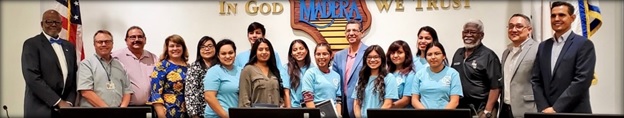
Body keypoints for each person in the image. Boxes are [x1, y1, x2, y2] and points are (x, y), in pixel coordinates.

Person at [531, 1, 595, 113]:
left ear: (572, 18)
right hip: (546, 112)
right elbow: (536, 80)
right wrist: (544, 107)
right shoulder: (543, 46)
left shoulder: (584, 44)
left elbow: (582, 80)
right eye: (553, 15)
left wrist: (556, 108)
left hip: (574, 112)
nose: (556, 19)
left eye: (561, 15)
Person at [21, 9, 78, 118]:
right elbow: (32, 78)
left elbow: (73, 78)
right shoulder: (31, 44)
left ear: (61, 25)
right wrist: (58, 102)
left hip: (65, 111)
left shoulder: (69, 46)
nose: (53, 24)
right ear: (42, 24)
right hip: (40, 110)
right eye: (49, 21)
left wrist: (69, 103)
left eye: (57, 22)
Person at [451, 19, 502, 118]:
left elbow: (495, 87)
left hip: (482, 109)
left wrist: (487, 111)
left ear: (481, 35)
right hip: (461, 108)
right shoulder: (458, 53)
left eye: (473, 32)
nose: (468, 35)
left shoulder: (489, 56)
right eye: (466, 32)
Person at [234, 22, 291, 107]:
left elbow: (281, 91)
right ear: (255, 52)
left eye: (267, 49)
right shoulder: (247, 69)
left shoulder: (274, 70)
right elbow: (244, 99)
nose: (264, 52)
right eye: (260, 49)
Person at [77, 30, 133, 107]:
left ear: (112, 44)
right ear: (94, 44)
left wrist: (121, 110)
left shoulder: (120, 65)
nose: (104, 44)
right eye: (100, 42)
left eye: (107, 41)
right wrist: (108, 111)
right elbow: (86, 92)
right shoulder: (86, 64)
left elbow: (127, 91)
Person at [499, 14, 539, 118]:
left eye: (519, 26)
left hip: (528, 109)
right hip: (505, 109)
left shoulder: (538, 49)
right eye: (511, 26)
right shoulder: (506, 53)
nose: (514, 29)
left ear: (529, 30)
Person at [112, 26, 159, 106]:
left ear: (145, 40)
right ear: (126, 40)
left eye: (140, 37)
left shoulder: (153, 58)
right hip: (127, 108)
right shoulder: (115, 58)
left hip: (150, 107)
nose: (137, 39)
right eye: (132, 37)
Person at [332, 19, 369, 118]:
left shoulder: (369, 53)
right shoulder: (338, 56)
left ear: (362, 33)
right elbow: (334, 81)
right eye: (348, 31)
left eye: (355, 30)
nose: (351, 33)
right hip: (342, 105)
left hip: (361, 103)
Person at [411, 42, 463, 109]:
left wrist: (440, 115)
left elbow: (454, 101)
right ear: (426, 58)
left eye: (437, 53)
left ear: (444, 56)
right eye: (429, 54)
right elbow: (414, 100)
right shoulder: (419, 74)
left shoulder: (453, 74)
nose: (433, 57)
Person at [149, 34, 190, 118]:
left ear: (183, 48)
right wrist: (161, 115)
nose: (175, 48)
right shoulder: (161, 66)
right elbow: (155, 93)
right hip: (168, 112)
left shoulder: (189, 67)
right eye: (172, 46)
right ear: (167, 49)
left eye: (178, 46)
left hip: (188, 112)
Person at [352, 45, 398, 118]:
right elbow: (356, 104)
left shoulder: (389, 78)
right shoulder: (362, 77)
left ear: (382, 59)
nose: (372, 60)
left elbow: (388, 104)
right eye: (369, 57)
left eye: (376, 57)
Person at [301, 43, 342, 115]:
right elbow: (308, 99)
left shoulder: (336, 76)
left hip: (333, 114)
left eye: (325, 54)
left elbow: (338, 100)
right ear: (314, 56)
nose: (321, 57)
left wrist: (338, 115)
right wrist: (316, 115)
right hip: (317, 113)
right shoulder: (310, 73)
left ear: (330, 56)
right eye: (318, 54)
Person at [203, 39, 241, 118]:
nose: (227, 56)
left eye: (230, 53)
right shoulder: (214, 71)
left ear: (235, 53)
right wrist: (226, 116)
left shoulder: (241, 70)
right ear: (218, 55)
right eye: (223, 54)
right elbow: (209, 97)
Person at [185, 36, 217, 118]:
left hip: (220, 110)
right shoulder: (194, 67)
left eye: (210, 46)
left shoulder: (220, 67)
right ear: (199, 50)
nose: (207, 49)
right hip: (201, 113)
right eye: (203, 47)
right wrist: (194, 115)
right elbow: (190, 93)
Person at [385, 40, 416, 108]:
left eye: (399, 52)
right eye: (393, 53)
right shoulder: (386, 74)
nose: (395, 55)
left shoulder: (410, 74)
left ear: (406, 54)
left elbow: (406, 100)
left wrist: (387, 107)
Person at [285, 39, 312, 108]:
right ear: (291, 54)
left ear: (306, 51)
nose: (298, 52)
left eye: (301, 49)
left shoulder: (313, 68)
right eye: (295, 50)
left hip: (311, 107)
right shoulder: (286, 68)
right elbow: (286, 92)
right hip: (294, 108)